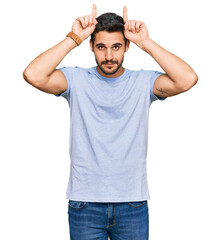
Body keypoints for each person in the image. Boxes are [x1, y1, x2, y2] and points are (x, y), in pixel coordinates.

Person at [23, 4, 198, 240]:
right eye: (101, 47)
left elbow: (187, 79)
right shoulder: (76, 79)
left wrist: (145, 42)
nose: (108, 56)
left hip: (132, 203)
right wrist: (74, 37)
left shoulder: (143, 82)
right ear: (91, 47)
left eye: (116, 47)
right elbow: (33, 74)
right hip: (85, 203)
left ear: (127, 46)